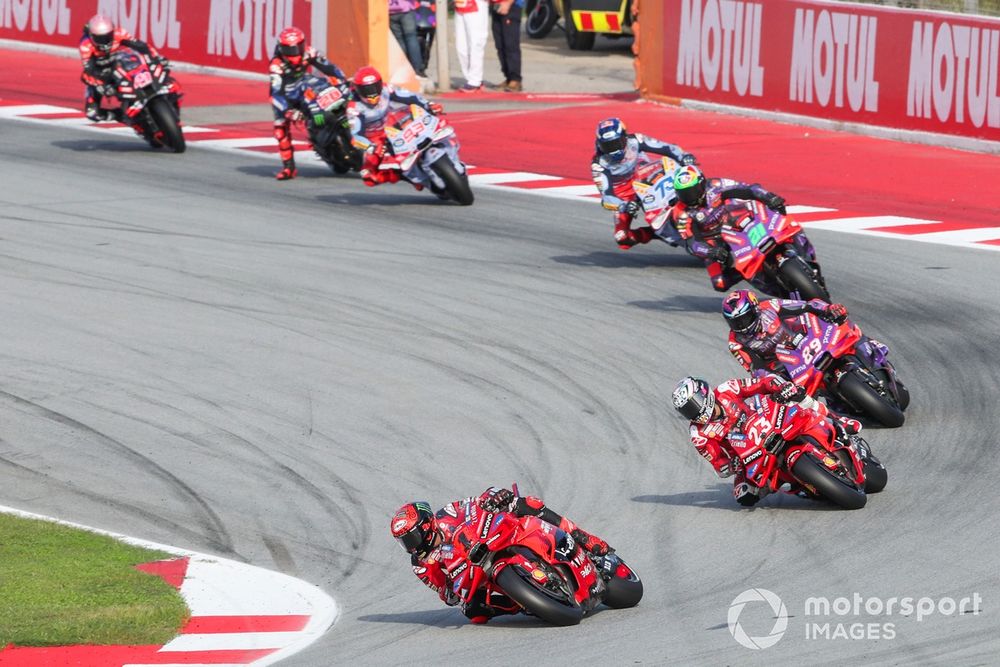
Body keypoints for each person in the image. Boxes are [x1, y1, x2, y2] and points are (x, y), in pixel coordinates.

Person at [391, 487, 611, 623]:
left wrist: (494, 497)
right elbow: (445, 593)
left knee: (527, 504)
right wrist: (455, 592)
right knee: (473, 613)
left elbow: (475, 503)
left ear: (426, 525)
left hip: (492, 538)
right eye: (404, 542)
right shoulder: (420, 564)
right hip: (475, 576)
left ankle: (585, 538)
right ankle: (525, 603)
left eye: (411, 537)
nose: (410, 545)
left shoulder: (447, 514)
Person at [672, 375, 861, 506]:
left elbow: (761, 383)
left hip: (768, 420)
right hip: (748, 455)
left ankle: (836, 419)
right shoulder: (698, 434)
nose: (693, 412)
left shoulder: (725, 390)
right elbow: (719, 466)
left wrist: (780, 387)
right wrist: (732, 465)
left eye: (693, 403)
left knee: (797, 397)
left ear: (704, 393)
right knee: (744, 495)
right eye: (687, 410)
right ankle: (801, 484)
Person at [670, 165, 817, 292]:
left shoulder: (716, 185)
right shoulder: (680, 211)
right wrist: (711, 251)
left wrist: (769, 197)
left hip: (740, 218)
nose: (689, 197)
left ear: (701, 182)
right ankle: (769, 285)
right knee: (720, 283)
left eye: (691, 190)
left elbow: (748, 189)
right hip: (715, 240)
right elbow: (691, 243)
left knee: (785, 222)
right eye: (683, 193)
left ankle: (808, 256)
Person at [591, 118, 698, 250]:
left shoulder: (636, 140)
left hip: (648, 178)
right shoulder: (598, 164)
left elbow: (667, 148)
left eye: (616, 144)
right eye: (607, 146)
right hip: (627, 197)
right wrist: (623, 205)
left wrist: (683, 156)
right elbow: (607, 196)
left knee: (686, 178)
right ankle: (659, 233)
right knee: (622, 238)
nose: (613, 150)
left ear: (624, 137)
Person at [269, 26, 347, 181]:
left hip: (307, 85)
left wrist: (342, 81)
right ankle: (288, 168)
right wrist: (288, 111)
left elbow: (330, 68)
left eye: (297, 47)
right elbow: (275, 94)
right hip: (287, 95)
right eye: (290, 50)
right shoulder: (276, 65)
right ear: (282, 49)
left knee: (331, 88)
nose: (295, 53)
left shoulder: (309, 52)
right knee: (280, 127)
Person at [347, 66, 444, 189]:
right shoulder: (354, 108)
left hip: (392, 126)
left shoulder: (387, 89)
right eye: (365, 90)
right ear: (357, 89)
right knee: (369, 176)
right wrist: (370, 147)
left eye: (375, 87)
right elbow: (356, 136)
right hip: (375, 140)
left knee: (430, 122)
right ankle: (408, 177)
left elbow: (410, 96)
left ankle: (441, 147)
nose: (371, 93)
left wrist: (428, 105)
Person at [723, 290, 849, 373]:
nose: (742, 326)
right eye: (735, 322)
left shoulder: (770, 306)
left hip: (807, 340)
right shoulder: (735, 342)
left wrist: (827, 308)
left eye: (745, 319)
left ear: (755, 309)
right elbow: (755, 368)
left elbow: (804, 306)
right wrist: (772, 379)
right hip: (788, 367)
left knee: (843, 328)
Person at [78, 14, 167, 123]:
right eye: (100, 38)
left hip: (121, 61)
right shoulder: (85, 44)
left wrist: (157, 57)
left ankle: (160, 90)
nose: (104, 41)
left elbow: (141, 46)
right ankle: (120, 115)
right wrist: (101, 84)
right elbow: (88, 69)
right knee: (92, 113)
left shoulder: (119, 33)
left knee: (157, 66)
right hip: (100, 70)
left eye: (107, 36)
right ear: (91, 36)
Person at [453, 0, 490, 92]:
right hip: (460, 6)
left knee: (476, 44)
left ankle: (475, 81)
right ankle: (471, 79)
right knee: (461, 47)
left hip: (477, 6)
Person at [490, 0, 524, 91]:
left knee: (511, 45)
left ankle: (515, 79)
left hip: (511, 6)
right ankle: (508, 77)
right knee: (500, 45)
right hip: (496, 5)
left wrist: (508, 3)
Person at [389, 0, 426, 77]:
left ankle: (402, 68)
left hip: (390, 10)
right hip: (406, 10)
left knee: (399, 41)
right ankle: (417, 69)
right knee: (411, 38)